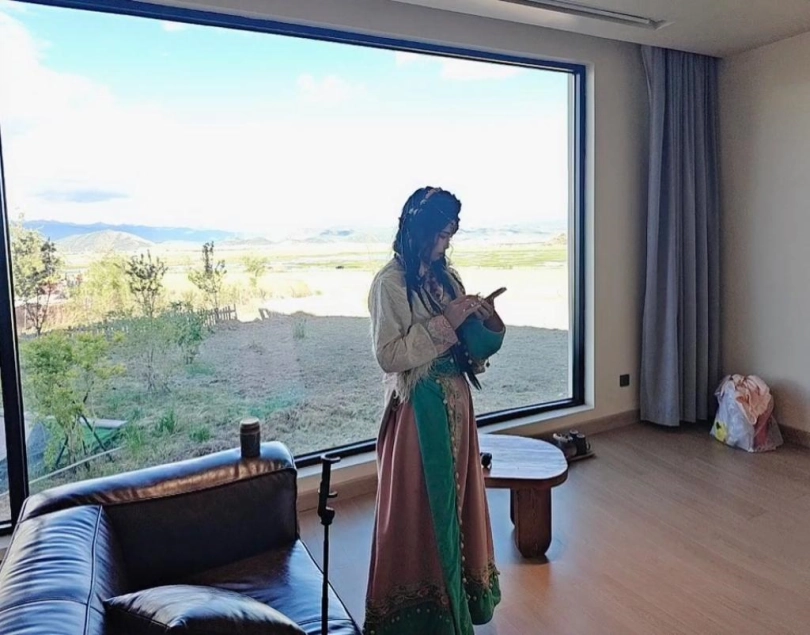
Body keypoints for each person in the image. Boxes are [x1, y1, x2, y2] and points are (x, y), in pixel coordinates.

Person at [363, 186, 505, 635]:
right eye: (441, 235)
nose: (446, 244)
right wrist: (448, 322)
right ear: (419, 232)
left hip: (456, 406)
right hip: (418, 414)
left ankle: (460, 604)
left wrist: (485, 321)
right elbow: (389, 355)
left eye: (450, 235)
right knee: (422, 513)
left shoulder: (447, 279)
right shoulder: (389, 284)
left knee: (457, 505)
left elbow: (467, 347)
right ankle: (425, 616)